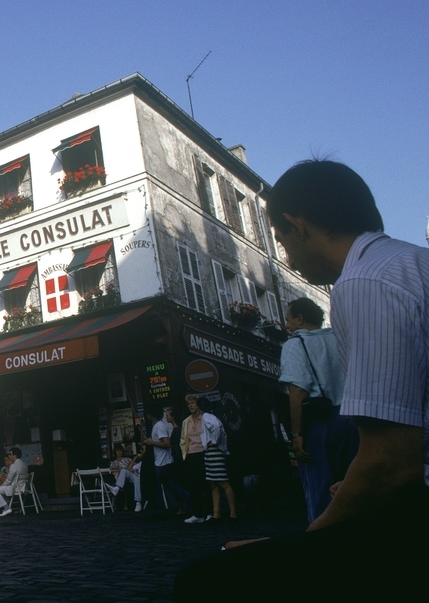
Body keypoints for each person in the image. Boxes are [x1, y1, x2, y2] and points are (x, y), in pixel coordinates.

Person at [174, 159, 429, 599]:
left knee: (204, 581)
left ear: (298, 226)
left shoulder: (364, 283)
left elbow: (390, 461)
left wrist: (309, 540)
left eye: (281, 240)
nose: (287, 258)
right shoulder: (409, 262)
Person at [279, 297, 359, 523]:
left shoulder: (295, 344)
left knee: (320, 488)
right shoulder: (339, 339)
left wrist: (297, 433)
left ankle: (324, 536)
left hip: (320, 422)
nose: (286, 325)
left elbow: (298, 390)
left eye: (288, 319)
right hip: (352, 417)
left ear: (300, 319)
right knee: (353, 483)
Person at [180, 395, 236, 522]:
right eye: (189, 403)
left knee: (212, 483)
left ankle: (215, 512)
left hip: (205, 452)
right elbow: (183, 439)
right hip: (192, 454)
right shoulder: (186, 421)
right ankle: (200, 514)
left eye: (193, 403)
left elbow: (217, 429)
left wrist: (213, 442)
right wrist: (185, 454)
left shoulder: (206, 417)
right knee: (196, 485)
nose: (191, 405)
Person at [144, 407, 191, 514]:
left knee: (158, 486)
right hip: (163, 461)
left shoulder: (159, 426)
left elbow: (167, 443)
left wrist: (152, 442)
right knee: (171, 485)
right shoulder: (157, 426)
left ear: (150, 415)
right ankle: (191, 501)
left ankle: (159, 509)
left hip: (162, 462)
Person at [0, 447, 29, 517]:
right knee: (0, 490)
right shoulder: (24, 465)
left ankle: (6, 508)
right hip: (23, 487)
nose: (9, 456)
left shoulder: (14, 466)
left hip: (15, 487)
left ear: (15, 456)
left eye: (10, 454)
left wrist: (1, 486)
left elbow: (9, 480)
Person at [108, 445, 144, 511]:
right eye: (117, 451)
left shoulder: (127, 459)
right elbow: (112, 471)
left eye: (121, 451)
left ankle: (137, 502)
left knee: (125, 471)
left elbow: (133, 467)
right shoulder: (113, 462)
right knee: (123, 471)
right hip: (120, 478)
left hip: (132, 475)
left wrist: (134, 459)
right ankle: (117, 488)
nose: (119, 452)